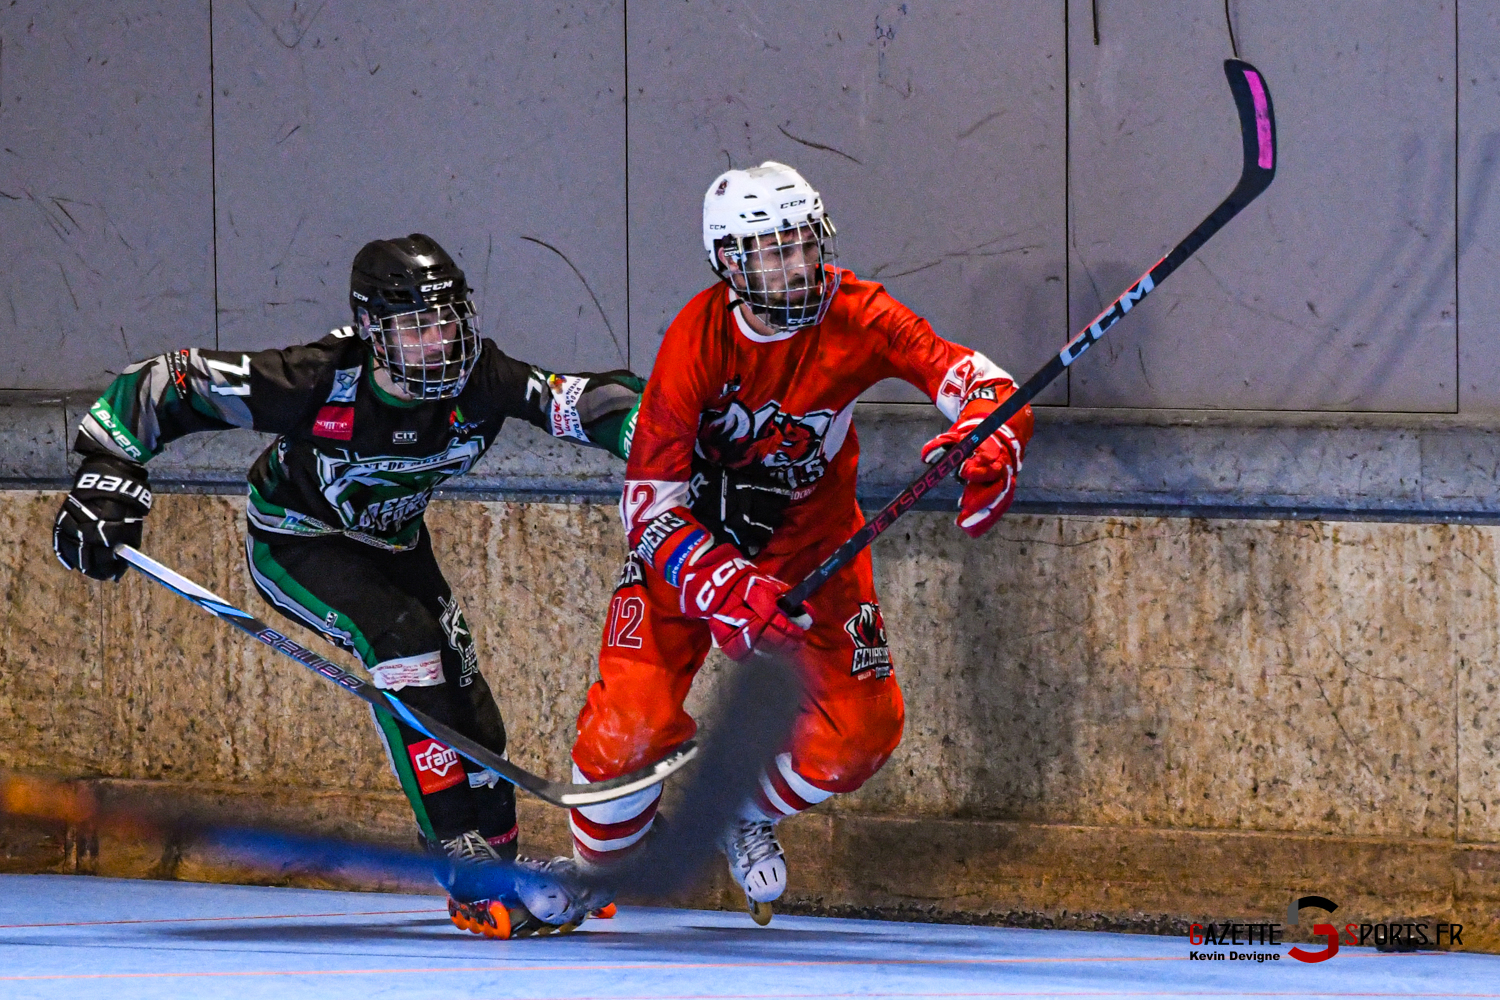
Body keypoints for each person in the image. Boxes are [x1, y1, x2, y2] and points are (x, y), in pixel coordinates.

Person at [52, 233, 642, 939]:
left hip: (395, 546)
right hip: (300, 544)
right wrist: (105, 474)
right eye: (417, 327)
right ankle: (459, 866)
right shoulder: (315, 381)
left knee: (474, 715)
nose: (440, 342)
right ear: (372, 332)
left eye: (449, 320)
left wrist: (666, 444)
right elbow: (169, 383)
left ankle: (504, 868)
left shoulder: (481, 377)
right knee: (408, 646)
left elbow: (590, 401)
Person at [550, 162, 1035, 925]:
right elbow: (648, 507)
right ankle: (598, 873)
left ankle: (743, 810)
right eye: (773, 251)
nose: (798, 264)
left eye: (804, 243)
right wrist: (719, 581)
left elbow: (973, 376)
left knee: (861, 737)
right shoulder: (696, 341)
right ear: (730, 264)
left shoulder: (859, 310)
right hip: (697, 554)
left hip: (814, 549)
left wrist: (993, 433)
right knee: (625, 736)